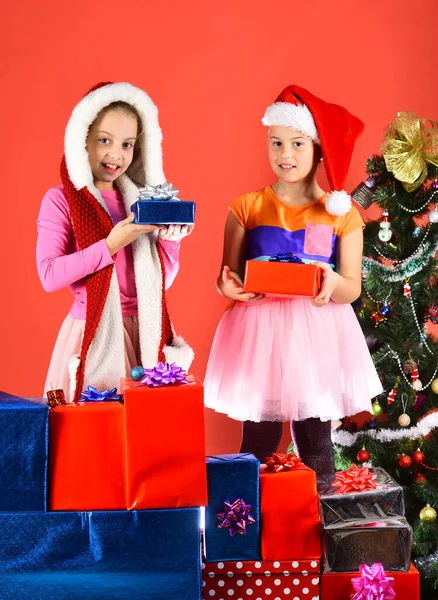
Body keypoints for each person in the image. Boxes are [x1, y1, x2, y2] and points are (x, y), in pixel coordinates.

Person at [204, 85, 382, 484]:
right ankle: (248, 523)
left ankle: (314, 527)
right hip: (259, 337)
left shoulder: (342, 216)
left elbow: (351, 289)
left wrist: (333, 280)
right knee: (257, 440)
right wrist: (228, 287)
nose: (285, 155)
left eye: (297, 144)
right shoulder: (247, 207)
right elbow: (226, 276)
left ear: (319, 148)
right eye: (277, 143)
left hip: (316, 335)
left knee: (316, 440)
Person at [37, 82, 194, 403]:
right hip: (94, 333)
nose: (115, 154)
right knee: (96, 434)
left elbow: (159, 283)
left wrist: (170, 242)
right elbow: (49, 275)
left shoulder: (140, 200)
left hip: (146, 334)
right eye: (104, 141)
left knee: (146, 437)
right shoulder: (61, 200)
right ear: (82, 141)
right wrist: (110, 244)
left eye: (127, 144)